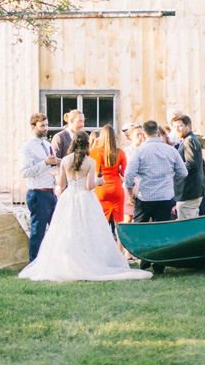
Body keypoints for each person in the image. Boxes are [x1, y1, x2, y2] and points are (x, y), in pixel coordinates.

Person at [18, 132, 151, 282]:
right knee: (89, 230)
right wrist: (99, 181)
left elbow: (61, 185)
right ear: (87, 144)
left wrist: (55, 176)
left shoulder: (65, 161)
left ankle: (67, 261)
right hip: (85, 198)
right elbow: (89, 186)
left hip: (68, 198)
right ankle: (89, 259)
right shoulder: (89, 161)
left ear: (73, 143)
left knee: (67, 230)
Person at [123, 119, 188, 274]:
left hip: (145, 196)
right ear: (158, 133)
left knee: (141, 230)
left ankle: (144, 259)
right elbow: (183, 173)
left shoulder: (139, 151)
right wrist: (172, 180)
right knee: (162, 231)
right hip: (165, 196)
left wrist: (131, 192)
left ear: (144, 134)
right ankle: (160, 264)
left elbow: (128, 175)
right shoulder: (171, 151)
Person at [19, 112, 59, 261]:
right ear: (33, 126)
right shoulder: (27, 147)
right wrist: (45, 163)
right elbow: (25, 172)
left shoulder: (48, 145)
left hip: (51, 192)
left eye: (47, 125)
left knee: (57, 228)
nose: (45, 128)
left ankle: (53, 260)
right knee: (38, 231)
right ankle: (34, 262)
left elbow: (53, 166)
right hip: (37, 193)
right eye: (42, 126)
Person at [89, 125, 127, 246]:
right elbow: (124, 172)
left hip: (101, 188)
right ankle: (121, 251)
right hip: (116, 188)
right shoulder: (120, 152)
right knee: (119, 223)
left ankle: (101, 248)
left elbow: (88, 165)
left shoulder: (94, 152)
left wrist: (93, 146)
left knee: (100, 223)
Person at [172, 115, 205, 219]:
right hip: (191, 190)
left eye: (180, 126)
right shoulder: (187, 140)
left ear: (188, 125)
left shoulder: (190, 140)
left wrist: (175, 171)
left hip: (189, 191)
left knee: (187, 223)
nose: (176, 129)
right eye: (175, 126)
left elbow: (191, 163)